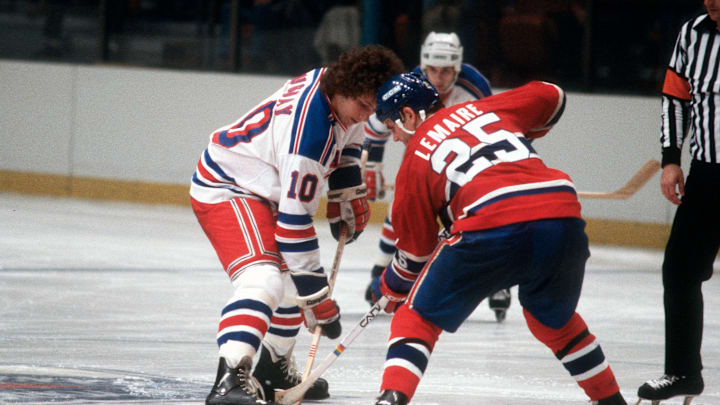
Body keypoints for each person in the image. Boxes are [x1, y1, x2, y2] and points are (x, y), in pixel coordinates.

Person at [369, 73, 628, 405]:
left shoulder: (414, 160)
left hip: (491, 221)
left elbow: (414, 256)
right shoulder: (487, 109)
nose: (394, 138)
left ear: (407, 115)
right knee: (552, 321)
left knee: (415, 317)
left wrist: (386, 288)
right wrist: (509, 126)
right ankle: (611, 401)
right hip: (561, 211)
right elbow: (553, 95)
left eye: (392, 127)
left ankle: (392, 398)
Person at [190, 45, 404, 405]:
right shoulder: (311, 135)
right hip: (229, 186)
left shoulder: (335, 88)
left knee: (292, 279)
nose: (368, 116)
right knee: (265, 278)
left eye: (374, 109)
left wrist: (345, 189)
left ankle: (272, 366)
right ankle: (229, 378)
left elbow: (350, 135)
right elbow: (293, 226)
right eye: (364, 107)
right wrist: (318, 297)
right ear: (344, 90)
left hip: (264, 186)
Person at [362, 32, 513, 322]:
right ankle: (382, 268)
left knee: (482, 215)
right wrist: (372, 168)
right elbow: (376, 126)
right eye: (433, 70)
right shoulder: (409, 85)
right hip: (423, 154)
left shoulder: (475, 87)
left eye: (446, 71)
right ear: (423, 66)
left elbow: (495, 129)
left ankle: (501, 281)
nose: (439, 78)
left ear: (457, 68)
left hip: (463, 162)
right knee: (403, 205)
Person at [636, 1, 720, 404]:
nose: (712, 1)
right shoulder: (693, 32)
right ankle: (684, 372)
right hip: (707, 173)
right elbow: (675, 97)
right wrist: (672, 160)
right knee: (680, 271)